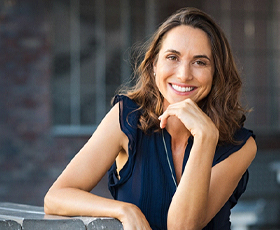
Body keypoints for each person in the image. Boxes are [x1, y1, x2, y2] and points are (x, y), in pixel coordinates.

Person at [44, 7, 257, 230]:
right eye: (172, 57)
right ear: (155, 65)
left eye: (200, 62)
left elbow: (182, 227)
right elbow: (56, 197)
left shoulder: (240, 145)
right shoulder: (126, 117)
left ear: (216, 73)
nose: (184, 74)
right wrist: (125, 210)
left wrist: (205, 137)